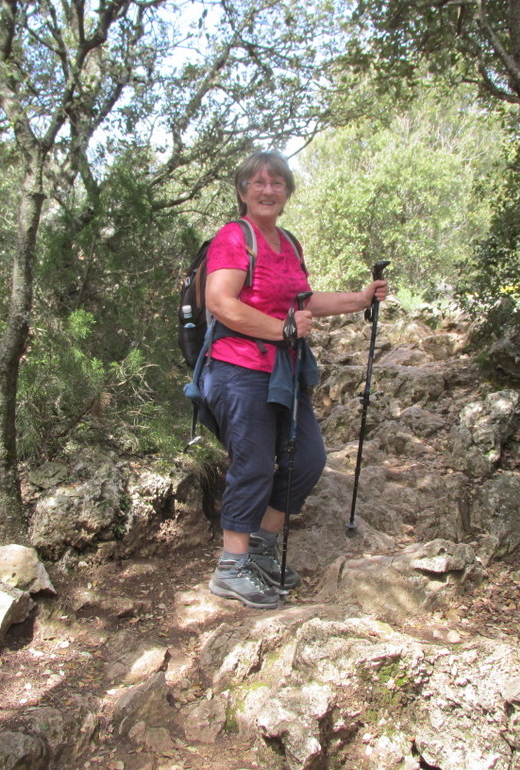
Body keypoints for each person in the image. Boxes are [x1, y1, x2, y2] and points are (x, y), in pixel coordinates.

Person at [202, 151, 388, 609]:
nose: (268, 190)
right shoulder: (233, 237)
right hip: (238, 369)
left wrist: (359, 299)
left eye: (277, 183)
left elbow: (304, 300)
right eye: (258, 183)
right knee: (253, 463)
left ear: (287, 191)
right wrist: (280, 329)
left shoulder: (289, 243)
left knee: (307, 460)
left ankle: (262, 550)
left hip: (283, 371)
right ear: (243, 191)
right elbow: (220, 302)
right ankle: (232, 566)